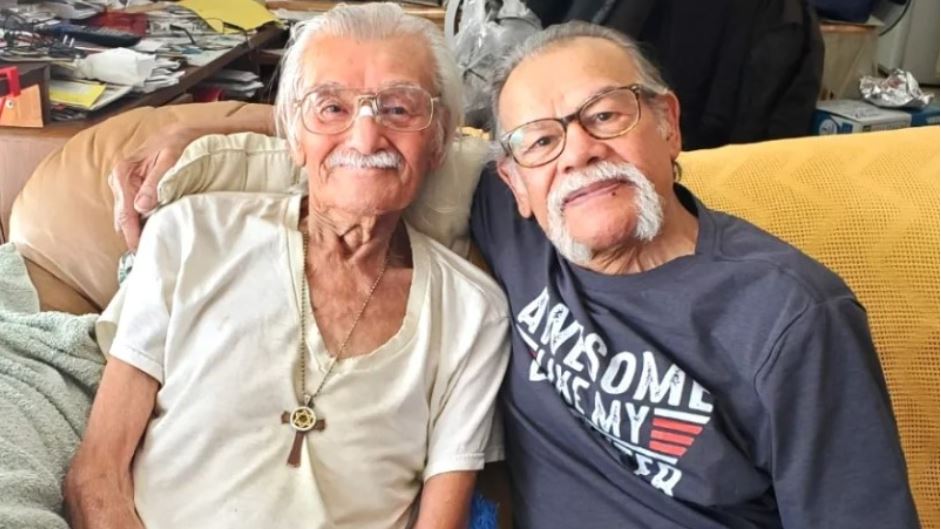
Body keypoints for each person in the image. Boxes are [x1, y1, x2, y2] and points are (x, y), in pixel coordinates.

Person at [109, 17, 920, 529]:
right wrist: (200, 119)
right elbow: (369, 138)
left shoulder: (787, 315)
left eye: (606, 115)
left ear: (667, 125)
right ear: (511, 180)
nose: (577, 153)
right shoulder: (515, 214)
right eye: (539, 139)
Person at [64, 4, 509, 529]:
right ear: (294, 134)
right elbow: (96, 475)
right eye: (331, 108)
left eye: (397, 109)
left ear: (439, 140)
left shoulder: (472, 314)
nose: (365, 139)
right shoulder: (191, 236)